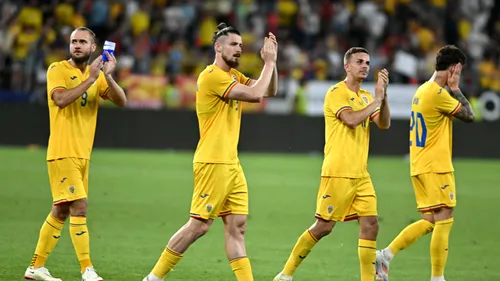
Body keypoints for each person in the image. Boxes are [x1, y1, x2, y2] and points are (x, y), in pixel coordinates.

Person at [142, 23, 278, 281]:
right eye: (233, 44)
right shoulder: (212, 76)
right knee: (199, 226)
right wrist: (268, 63)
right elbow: (256, 95)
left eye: (240, 45)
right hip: (213, 161)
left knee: (237, 228)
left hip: (231, 164)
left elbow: (269, 89)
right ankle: (154, 278)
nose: (238, 49)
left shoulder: (234, 76)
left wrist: (273, 61)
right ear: (218, 47)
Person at [273, 47, 391, 281]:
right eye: (359, 61)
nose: (365, 66)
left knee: (370, 225)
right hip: (338, 172)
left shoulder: (367, 97)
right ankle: (285, 275)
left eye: (367, 62)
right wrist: (377, 99)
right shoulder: (336, 92)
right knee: (323, 227)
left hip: (360, 174)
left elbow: (384, 124)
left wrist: (383, 98)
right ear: (347, 66)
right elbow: (350, 120)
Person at [24, 27, 127, 281]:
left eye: (83, 42)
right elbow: (60, 100)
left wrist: (108, 77)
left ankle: (35, 267)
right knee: (79, 207)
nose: (77, 45)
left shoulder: (95, 75)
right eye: (73, 41)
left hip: (82, 155)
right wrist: (91, 79)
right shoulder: (57, 69)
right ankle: (87, 269)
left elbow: (121, 100)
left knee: (60, 210)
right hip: (62, 152)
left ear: (94, 48)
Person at [375, 45, 475, 281]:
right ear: (454, 68)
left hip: (420, 165)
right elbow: (469, 115)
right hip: (436, 166)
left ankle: (386, 255)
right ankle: (437, 278)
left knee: (430, 221)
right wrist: (456, 88)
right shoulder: (438, 94)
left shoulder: (422, 90)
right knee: (444, 218)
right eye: (459, 69)